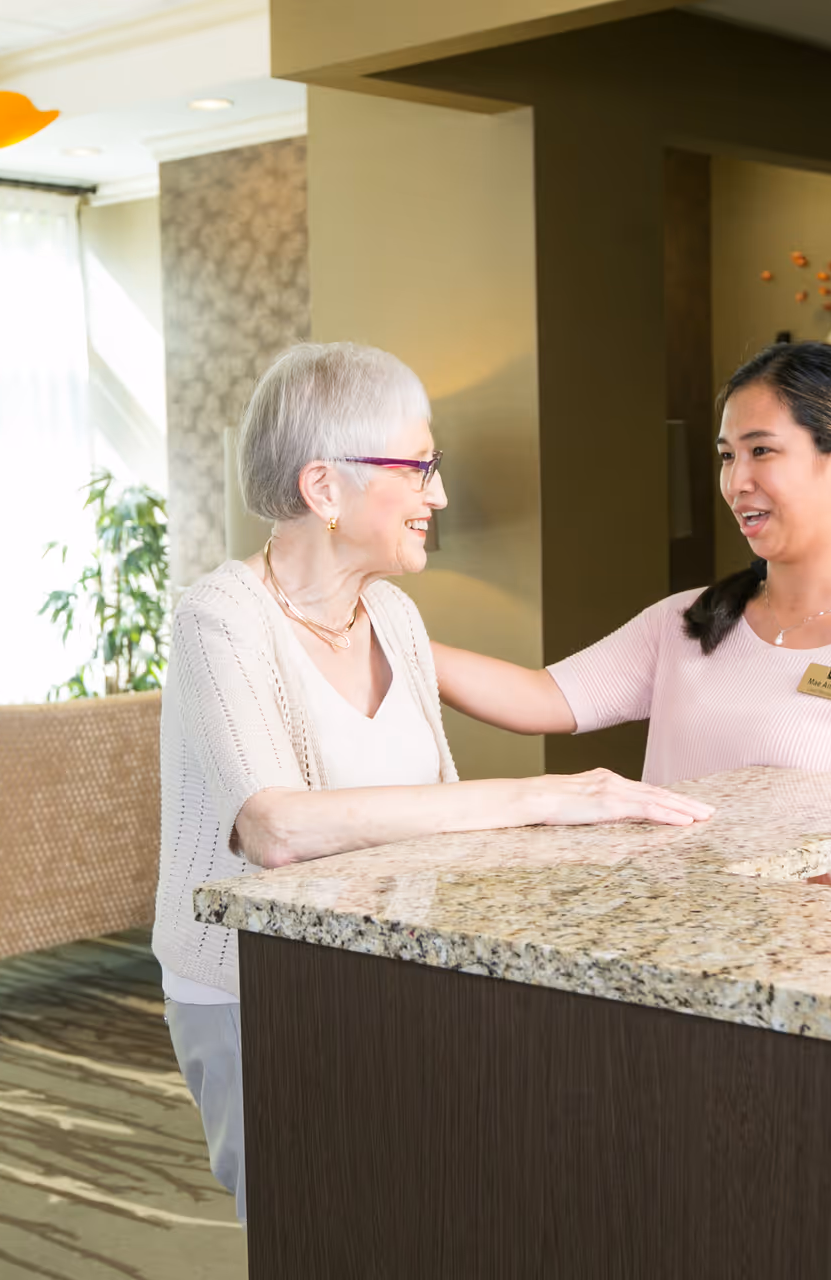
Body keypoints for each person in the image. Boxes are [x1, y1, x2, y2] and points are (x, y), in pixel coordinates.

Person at [155, 342, 715, 1224]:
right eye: (417, 469)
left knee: (416, 1218)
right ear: (324, 488)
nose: (439, 496)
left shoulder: (395, 617)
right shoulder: (218, 618)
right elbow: (275, 829)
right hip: (256, 991)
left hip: (397, 980)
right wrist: (538, 798)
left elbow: (437, 827)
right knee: (309, 1227)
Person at [436, 341, 831, 901]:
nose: (735, 482)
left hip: (816, 973)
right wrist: (385, 632)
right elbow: (540, 697)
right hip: (669, 955)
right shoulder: (687, 622)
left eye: (762, 451)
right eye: (727, 456)